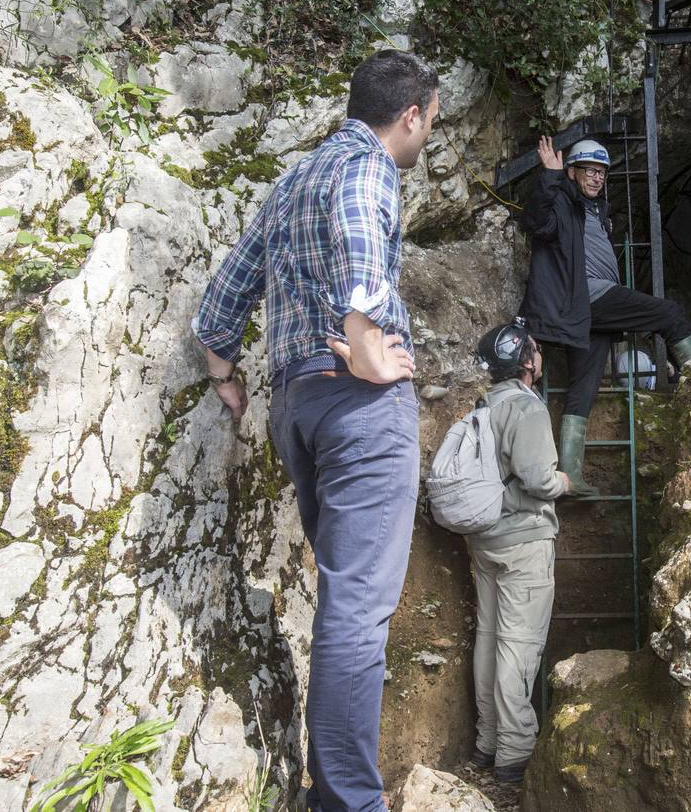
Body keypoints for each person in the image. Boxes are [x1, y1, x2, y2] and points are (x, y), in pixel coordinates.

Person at [193, 49, 439, 812]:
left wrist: (221, 367)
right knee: (357, 613)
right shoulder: (371, 167)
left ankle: (332, 789)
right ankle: (348, 803)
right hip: (360, 409)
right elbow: (364, 241)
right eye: (431, 121)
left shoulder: (292, 180)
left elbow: (226, 292)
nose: (428, 133)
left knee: (343, 598)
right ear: (410, 116)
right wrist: (366, 341)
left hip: (296, 408)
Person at [517, 136, 691, 494]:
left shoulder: (595, 211)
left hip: (590, 314)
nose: (596, 178)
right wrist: (551, 177)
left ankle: (570, 476)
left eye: (601, 172)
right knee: (668, 313)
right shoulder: (561, 201)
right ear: (572, 172)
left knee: (584, 386)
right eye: (589, 171)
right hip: (587, 298)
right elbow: (535, 222)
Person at [465, 320, 569, 785]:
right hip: (523, 541)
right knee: (517, 646)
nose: (540, 354)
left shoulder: (484, 404)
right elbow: (538, 479)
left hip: (485, 539)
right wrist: (564, 481)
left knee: (488, 638)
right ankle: (515, 752)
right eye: (535, 349)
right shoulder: (527, 409)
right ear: (526, 361)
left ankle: (488, 742)